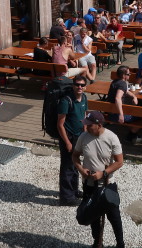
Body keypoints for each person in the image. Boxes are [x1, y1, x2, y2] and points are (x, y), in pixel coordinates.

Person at [72, 111, 125, 248]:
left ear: (99, 125)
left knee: (114, 216)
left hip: (108, 184)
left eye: (90, 125)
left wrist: (104, 173)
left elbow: (119, 162)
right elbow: (75, 156)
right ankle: (97, 242)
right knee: (93, 215)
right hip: (89, 184)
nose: (87, 127)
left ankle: (120, 244)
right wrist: (81, 170)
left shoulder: (111, 138)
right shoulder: (83, 137)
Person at [57, 75, 88, 206]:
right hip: (69, 137)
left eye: (82, 85)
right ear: (73, 85)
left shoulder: (84, 98)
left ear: (85, 86)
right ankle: (66, 197)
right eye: (77, 84)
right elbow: (60, 124)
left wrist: (85, 133)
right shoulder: (66, 100)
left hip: (79, 136)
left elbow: (85, 115)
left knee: (75, 164)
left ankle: (74, 190)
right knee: (67, 166)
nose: (79, 87)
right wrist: (67, 142)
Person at [108, 65, 142, 144]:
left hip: (110, 112)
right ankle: (131, 136)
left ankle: (132, 133)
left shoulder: (115, 82)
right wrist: (121, 115)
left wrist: (134, 96)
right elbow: (117, 98)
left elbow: (126, 91)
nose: (129, 75)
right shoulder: (122, 84)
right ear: (124, 75)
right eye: (128, 74)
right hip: (116, 114)